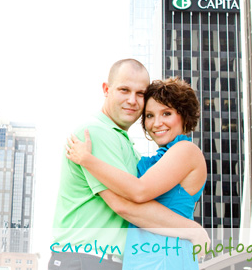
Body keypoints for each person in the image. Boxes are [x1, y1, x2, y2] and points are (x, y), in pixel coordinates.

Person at [50, 60, 206, 270]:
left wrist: (193, 230)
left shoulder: (181, 151)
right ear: (106, 89)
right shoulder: (96, 134)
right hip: (90, 259)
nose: (157, 122)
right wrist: (192, 229)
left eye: (140, 93)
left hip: (157, 258)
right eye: (150, 116)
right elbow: (123, 203)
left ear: (183, 116)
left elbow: (135, 193)